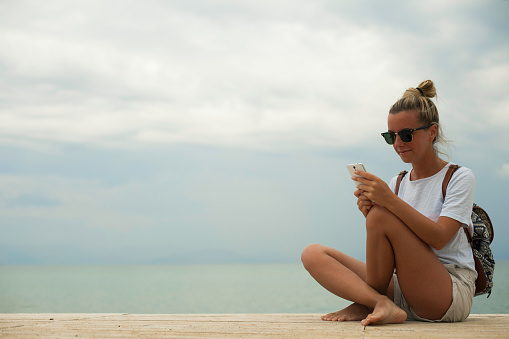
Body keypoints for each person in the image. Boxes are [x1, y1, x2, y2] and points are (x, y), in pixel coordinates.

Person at [301, 80, 476, 326]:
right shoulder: (398, 182)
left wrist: (387, 205)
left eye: (406, 135)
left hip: (447, 294)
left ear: (432, 132)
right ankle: (379, 302)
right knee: (313, 254)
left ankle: (368, 303)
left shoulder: (459, 177)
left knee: (381, 215)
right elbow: (395, 241)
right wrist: (371, 214)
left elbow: (439, 238)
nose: (398, 144)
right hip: (404, 287)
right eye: (390, 136)